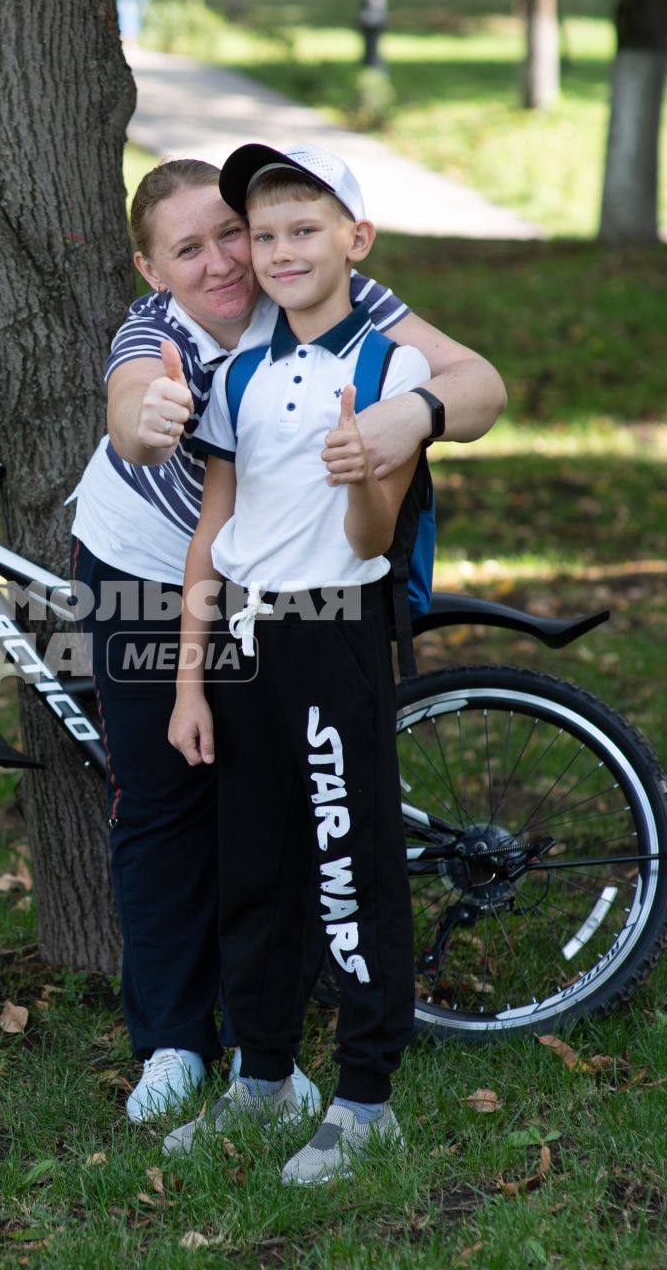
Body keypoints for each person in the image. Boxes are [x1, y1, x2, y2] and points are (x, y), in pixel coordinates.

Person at [69, 155, 504, 1125]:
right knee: (164, 798)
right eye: (191, 249)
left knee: (284, 814)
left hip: (298, 588)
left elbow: (476, 382)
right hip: (154, 571)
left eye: (235, 232)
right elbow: (132, 417)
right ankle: (176, 1042)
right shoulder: (157, 333)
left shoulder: (323, 289)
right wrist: (157, 415)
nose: (226, 260)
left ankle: (280, 1050)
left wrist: (409, 415)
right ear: (153, 269)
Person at [160, 143, 422, 1186]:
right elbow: (212, 527)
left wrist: (363, 467)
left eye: (303, 230)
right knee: (253, 865)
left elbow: (373, 533)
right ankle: (265, 1077)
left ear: (356, 240)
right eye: (263, 236)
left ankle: (366, 1095)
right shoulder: (241, 372)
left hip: (333, 633)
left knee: (347, 862)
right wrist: (189, 676)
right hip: (242, 644)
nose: (278, 252)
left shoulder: (387, 371)